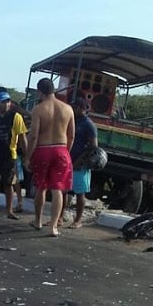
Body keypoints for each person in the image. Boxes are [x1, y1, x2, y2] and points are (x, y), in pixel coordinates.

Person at [25, 78, 75, 237]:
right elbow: (72, 135)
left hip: (43, 150)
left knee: (41, 187)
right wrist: (65, 151)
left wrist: (27, 156)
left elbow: (33, 136)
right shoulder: (68, 109)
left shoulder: (38, 109)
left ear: (40, 91)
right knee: (58, 189)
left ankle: (38, 220)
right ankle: (54, 226)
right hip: (61, 150)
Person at [0, 91, 28, 219]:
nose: (7, 104)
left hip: (9, 154)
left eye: (8, 101)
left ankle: (9, 210)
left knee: (8, 183)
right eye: (4, 101)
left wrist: (26, 155)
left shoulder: (16, 117)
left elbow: (22, 136)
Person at [63, 97, 98, 228]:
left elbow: (93, 146)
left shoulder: (88, 124)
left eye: (75, 107)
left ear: (82, 109)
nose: (73, 109)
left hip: (80, 164)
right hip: (68, 160)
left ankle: (78, 220)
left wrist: (80, 160)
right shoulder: (73, 121)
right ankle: (60, 217)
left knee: (79, 193)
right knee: (63, 191)